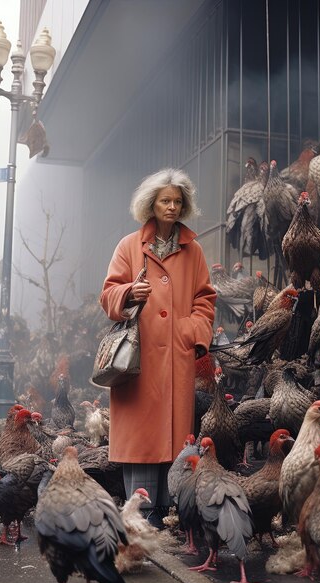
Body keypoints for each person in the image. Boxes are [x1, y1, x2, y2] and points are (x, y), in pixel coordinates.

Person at [100, 168, 216, 524]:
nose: (171, 207)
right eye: (165, 200)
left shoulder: (193, 250)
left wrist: (190, 331)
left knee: (175, 439)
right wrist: (128, 293)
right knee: (142, 439)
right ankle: (142, 512)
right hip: (138, 359)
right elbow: (107, 294)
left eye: (177, 202)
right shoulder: (128, 246)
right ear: (151, 204)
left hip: (176, 359)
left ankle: (172, 510)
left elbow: (205, 299)